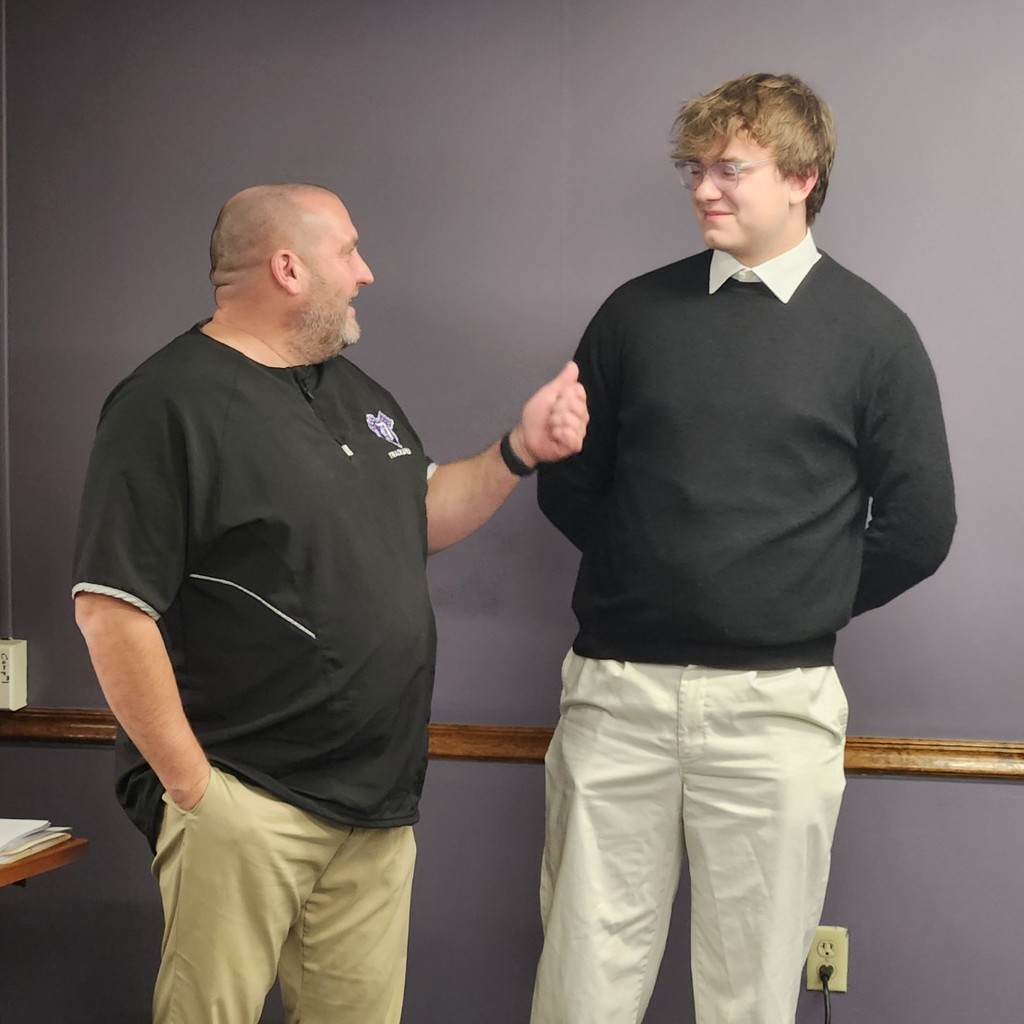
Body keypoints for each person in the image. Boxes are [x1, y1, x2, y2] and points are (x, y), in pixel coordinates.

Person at [72, 182, 588, 1024]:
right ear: (288, 268)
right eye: (348, 251)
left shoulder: (357, 394)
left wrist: (518, 450)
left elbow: (420, 512)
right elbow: (111, 609)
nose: (366, 272)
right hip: (244, 798)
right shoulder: (166, 402)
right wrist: (196, 791)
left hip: (375, 807)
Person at [532, 72, 955, 1024]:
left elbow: (922, 526)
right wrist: (658, 576)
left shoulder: (875, 335)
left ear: (803, 178)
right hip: (617, 697)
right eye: (693, 168)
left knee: (751, 998)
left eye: (730, 168)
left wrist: (788, 597)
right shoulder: (632, 314)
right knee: (580, 986)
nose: (703, 188)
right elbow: (568, 482)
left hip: (778, 711)